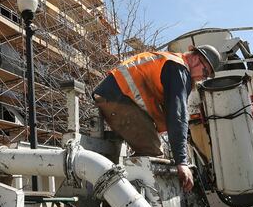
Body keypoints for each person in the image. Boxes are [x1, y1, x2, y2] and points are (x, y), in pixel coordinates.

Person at [92, 45, 222, 191]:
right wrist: (182, 162)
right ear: (196, 59)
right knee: (151, 152)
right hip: (116, 98)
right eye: (205, 72)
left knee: (154, 150)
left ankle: (124, 191)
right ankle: (132, 199)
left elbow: (173, 114)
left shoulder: (173, 64)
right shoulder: (178, 68)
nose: (202, 78)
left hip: (118, 97)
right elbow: (178, 115)